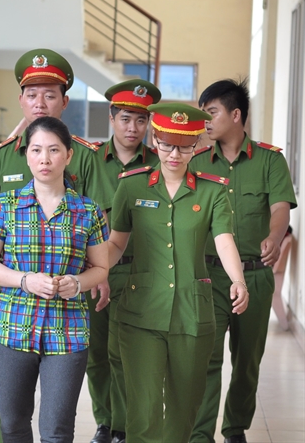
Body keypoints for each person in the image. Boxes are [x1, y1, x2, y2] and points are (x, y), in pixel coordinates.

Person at [0, 48, 106, 441]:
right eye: (36, 150)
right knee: (12, 422)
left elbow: (100, 264)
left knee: (57, 428)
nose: (45, 158)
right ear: (26, 154)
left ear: (67, 156)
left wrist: (81, 283)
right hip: (13, 322)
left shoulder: (87, 208)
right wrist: (21, 281)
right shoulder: (5, 197)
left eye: (54, 150)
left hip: (67, 328)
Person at [108, 103, 249, 442]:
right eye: (168, 144)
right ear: (155, 140)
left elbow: (225, 240)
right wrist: (93, 272)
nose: (175, 153)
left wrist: (238, 279)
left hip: (192, 312)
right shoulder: (131, 186)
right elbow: (115, 245)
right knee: (143, 411)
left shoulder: (213, 190)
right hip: (140, 312)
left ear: (197, 146)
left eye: (185, 146)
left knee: (185, 407)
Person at [190, 79, 297, 443]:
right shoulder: (198, 162)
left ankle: (235, 429)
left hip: (255, 275)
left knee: (247, 363)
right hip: (208, 276)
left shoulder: (270, 159)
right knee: (207, 360)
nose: (205, 120)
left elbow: (280, 206)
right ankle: (200, 434)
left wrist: (274, 234)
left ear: (236, 115)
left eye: (212, 112)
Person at [83, 79, 161, 443]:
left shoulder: (160, 164)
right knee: (97, 353)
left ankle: (126, 427)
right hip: (95, 270)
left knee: (133, 354)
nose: (133, 128)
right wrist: (93, 270)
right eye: (126, 118)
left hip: (143, 273)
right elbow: (77, 217)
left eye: (141, 121)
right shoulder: (87, 161)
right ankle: (106, 421)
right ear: (112, 118)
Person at [272, 226, 292, 331]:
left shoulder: (284, 238)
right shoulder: (287, 237)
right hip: (274, 270)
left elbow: (277, 267)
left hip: (274, 272)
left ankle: (285, 325)